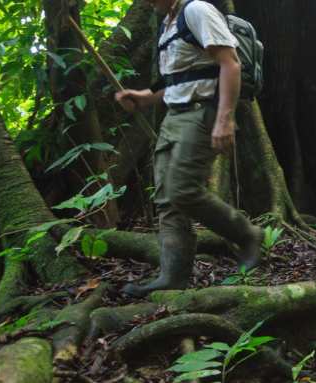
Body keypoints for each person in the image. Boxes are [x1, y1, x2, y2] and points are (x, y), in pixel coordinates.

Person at [114, 0, 263, 297]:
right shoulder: (167, 24)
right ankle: (172, 277)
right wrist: (144, 97)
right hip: (174, 117)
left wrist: (225, 119)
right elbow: (180, 79)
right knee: (167, 200)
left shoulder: (196, 11)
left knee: (183, 190)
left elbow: (230, 63)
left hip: (201, 113)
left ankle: (247, 234)